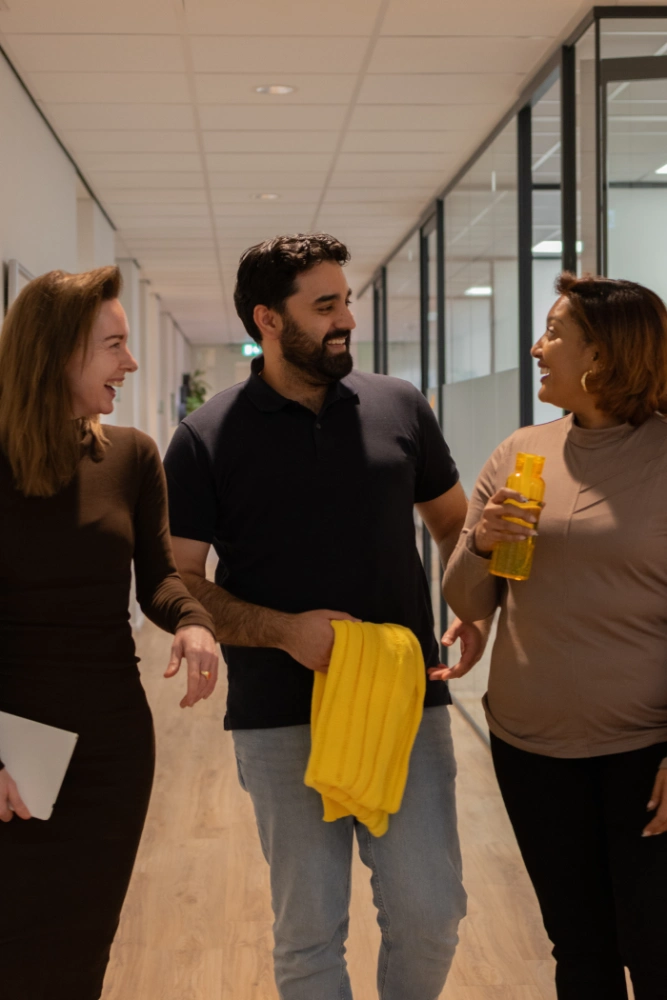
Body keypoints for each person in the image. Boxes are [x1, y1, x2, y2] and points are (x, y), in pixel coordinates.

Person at [163, 233, 486, 1000]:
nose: (346, 318)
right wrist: (285, 631)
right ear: (267, 320)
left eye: (346, 299)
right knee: (308, 933)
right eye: (325, 306)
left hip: (406, 704)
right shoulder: (205, 436)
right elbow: (178, 582)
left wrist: (470, 609)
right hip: (281, 713)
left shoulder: (397, 405)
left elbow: (453, 524)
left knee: (430, 913)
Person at [443, 272, 667, 1000]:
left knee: (657, 947)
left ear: (601, 354)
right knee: (578, 948)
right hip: (530, 747)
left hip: (646, 752)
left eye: (552, 334)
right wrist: (478, 542)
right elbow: (462, 598)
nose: (537, 349)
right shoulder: (519, 453)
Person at [0, 266, 219, 1000]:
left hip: (110, 740)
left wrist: (191, 624)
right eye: (114, 346)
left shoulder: (129, 456)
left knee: (81, 946)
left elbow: (158, 576)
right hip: (11, 741)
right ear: (59, 352)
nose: (129, 363)